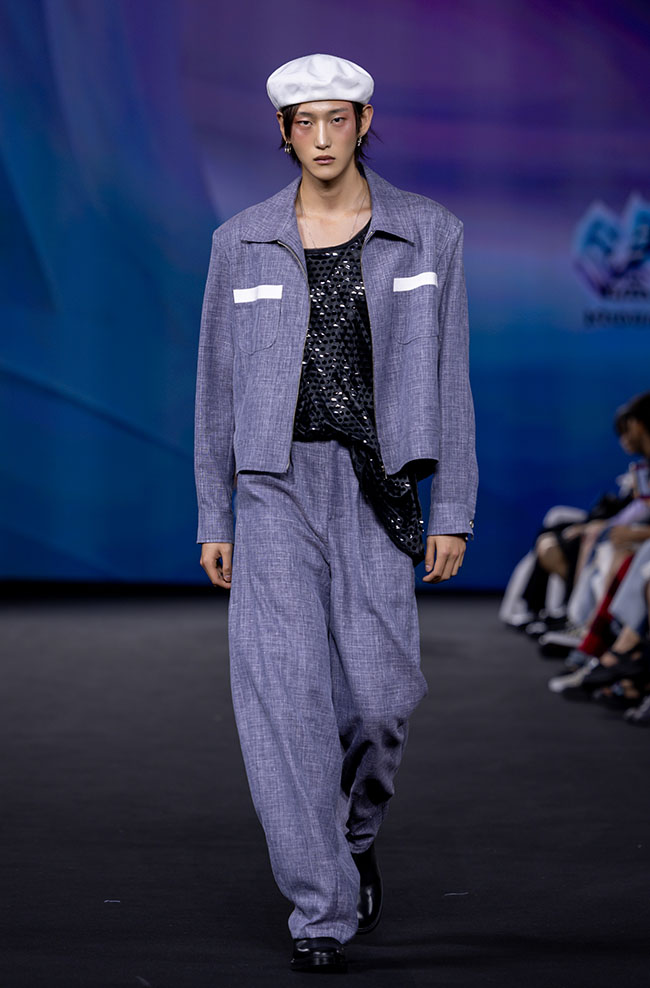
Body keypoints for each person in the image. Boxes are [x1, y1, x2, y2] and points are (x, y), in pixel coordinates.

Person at [194, 52, 478, 974]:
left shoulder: (429, 233)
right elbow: (215, 386)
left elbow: (450, 378)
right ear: (283, 132)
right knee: (286, 705)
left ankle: (351, 838)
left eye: (337, 119)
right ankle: (321, 910)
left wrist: (454, 506)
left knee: (382, 702)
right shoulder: (240, 240)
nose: (321, 138)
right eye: (304, 122)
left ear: (364, 124)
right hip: (273, 486)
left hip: (379, 489)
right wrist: (214, 515)